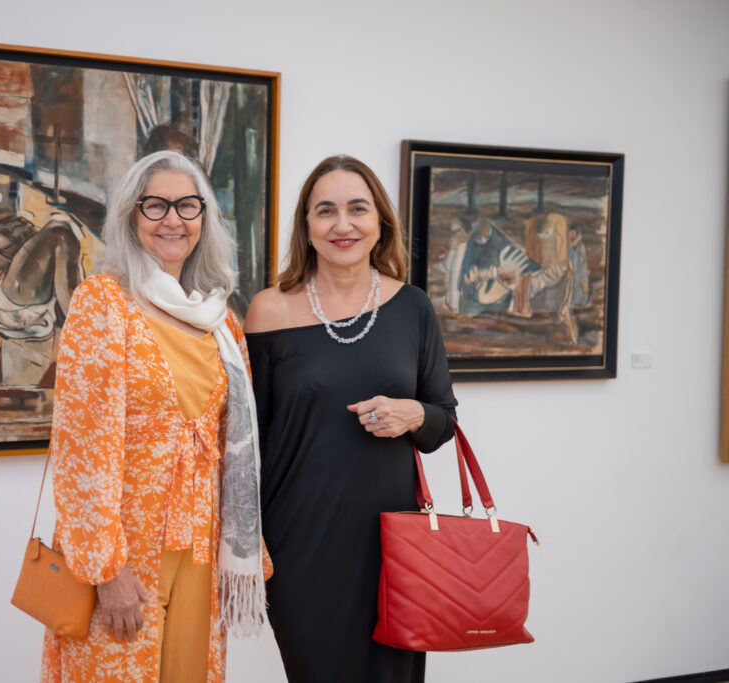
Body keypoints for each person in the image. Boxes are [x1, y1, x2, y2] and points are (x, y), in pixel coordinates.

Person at [40, 150, 270, 683]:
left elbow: (234, 446)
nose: (173, 220)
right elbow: (81, 450)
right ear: (131, 217)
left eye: (187, 205)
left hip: (202, 549)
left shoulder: (221, 322)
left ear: (204, 218)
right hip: (128, 552)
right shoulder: (104, 303)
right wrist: (106, 570)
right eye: (156, 206)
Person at [244, 155, 458, 683]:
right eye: (326, 211)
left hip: (394, 541)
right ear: (307, 226)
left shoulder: (413, 307)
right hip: (297, 538)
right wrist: (248, 540)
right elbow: (250, 438)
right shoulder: (269, 311)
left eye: (357, 208)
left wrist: (414, 414)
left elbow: (443, 422)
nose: (343, 224)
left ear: (380, 220)